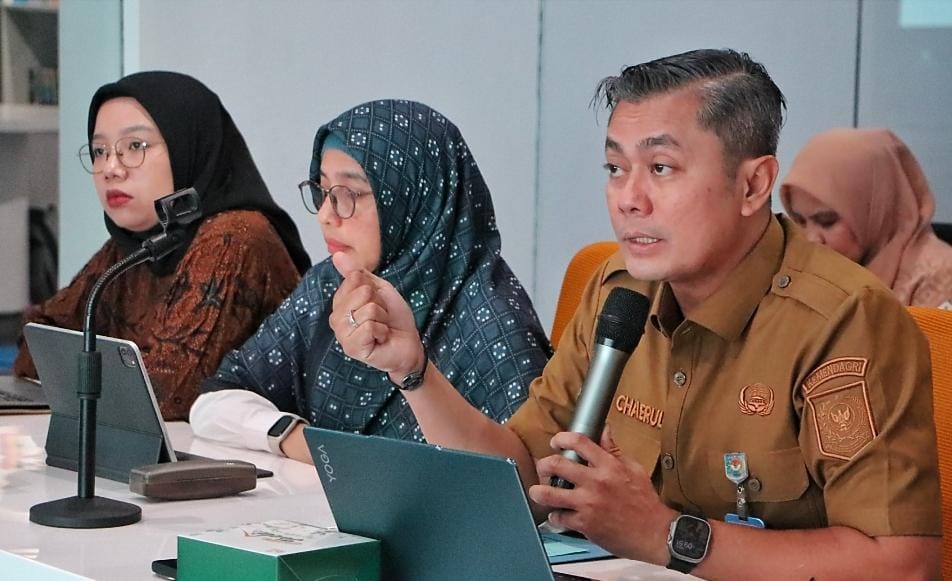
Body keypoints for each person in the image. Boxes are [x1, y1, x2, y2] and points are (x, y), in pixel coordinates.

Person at [328, 51, 942, 579]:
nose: (628, 199)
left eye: (661, 168)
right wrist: (413, 371)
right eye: (616, 168)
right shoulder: (619, 291)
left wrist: (666, 535)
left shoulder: (845, 320)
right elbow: (522, 477)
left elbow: (901, 565)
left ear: (754, 186)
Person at [189, 99, 552, 463]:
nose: (325, 215)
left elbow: (525, 480)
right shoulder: (330, 284)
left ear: (415, 198)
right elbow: (215, 401)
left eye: (350, 194)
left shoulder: (492, 323)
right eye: (322, 191)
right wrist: (302, 442)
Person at [13, 71, 310, 421]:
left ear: (189, 146)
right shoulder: (137, 245)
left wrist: (82, 374)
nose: (110, 168)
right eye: (99, 151)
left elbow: (166, 393)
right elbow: (35, 343)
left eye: (135, 146)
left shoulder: (235, 236)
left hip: (249, 456)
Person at [781, 127, 952, 308]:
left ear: (878, 209)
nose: (811, 238)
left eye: (827, 222)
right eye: (800, 221)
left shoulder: (942, 280)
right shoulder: (807, 271)